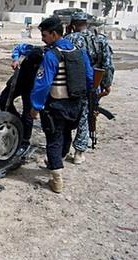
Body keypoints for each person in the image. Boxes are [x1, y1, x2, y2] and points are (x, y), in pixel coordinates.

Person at [29, 17, 93, 193]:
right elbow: (89, 77)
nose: (42, 38)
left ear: (54, 34)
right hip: (76, 105)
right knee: (66, 134)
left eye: (44, 35)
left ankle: (56, 179)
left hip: (55, 107)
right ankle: (58, 160)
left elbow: (43, 84)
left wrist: (36, 106)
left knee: (54, 139)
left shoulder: (51, 55)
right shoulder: (80, 52)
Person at [65, 12, 114, 164]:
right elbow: (107, 64)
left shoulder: (68, 39)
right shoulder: (100, 39)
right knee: (87, 116)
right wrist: (106, 84)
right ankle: (79, 152)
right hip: (93, 83)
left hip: (71, 83)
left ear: (73, 25)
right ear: (86, 24)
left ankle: (62, 149)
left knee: (68, 116)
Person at [0, 44, 44, 153]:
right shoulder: (29, 48)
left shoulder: (47, 58)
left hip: (33, 87)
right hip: (19, 80)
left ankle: (25, 141)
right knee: (4, 101)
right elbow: (18, 48)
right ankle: (15, 121)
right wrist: (15, 59)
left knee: (28, 114)